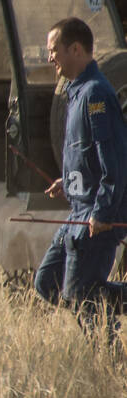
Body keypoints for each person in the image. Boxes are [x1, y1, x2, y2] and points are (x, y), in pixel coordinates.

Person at [35, 17, 127, 337]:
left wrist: (101, 212)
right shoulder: (76, 93)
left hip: (98, 216)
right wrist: (68, 182)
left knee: (83, 296)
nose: (50, 58)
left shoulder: (96, 94)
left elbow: (113, 161)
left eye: (53, 50)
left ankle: (109, 354)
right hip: (78, 212)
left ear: (75, 48)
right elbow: (85, 157)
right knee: (47, 283)